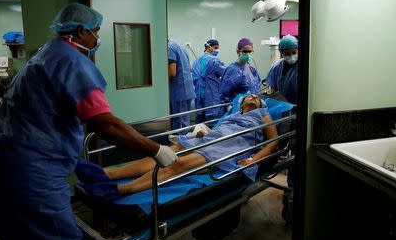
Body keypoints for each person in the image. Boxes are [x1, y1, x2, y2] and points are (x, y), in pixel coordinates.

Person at [0, 3, 177, 240]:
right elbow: (105, 124)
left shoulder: (45, 55)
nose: (98, 38)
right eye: (96, 31)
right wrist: (155, 149)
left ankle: (112, 180)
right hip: (34, 174)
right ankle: (119, 187)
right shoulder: (73, 63)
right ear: (82, 31)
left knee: (19, 236)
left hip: (11, 160)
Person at [78, 94, 279, 200]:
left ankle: (123, 189)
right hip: (212, 137)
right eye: (249, 96)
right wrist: (205, 133)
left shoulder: (262, 115)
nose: (253, 97)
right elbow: (217, 128)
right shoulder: (231, 115)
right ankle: (108, 174)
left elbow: (273, 142)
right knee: (162, 154)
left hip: (229, 145)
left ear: (262, 105)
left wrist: (254, 159)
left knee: (178, 163)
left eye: (257, 98)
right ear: (241, 103)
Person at [265, 34, 298, 223]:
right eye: (287, 53)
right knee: (279, 146)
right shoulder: (278, 67)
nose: (291, 56)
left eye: (294, 52)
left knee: (295, 154)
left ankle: (293, 187)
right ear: (282, 53)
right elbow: (271, 87)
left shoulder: (302, 67)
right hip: (282, 113)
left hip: (296, 113)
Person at [219, 38, 261, 105]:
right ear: (238, 51)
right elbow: (224, 94)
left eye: (250, 52)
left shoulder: (252, 70)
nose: (247, 54)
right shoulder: (232, 70)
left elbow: (256, 89)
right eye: (245, 51)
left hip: (252, 107)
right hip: (238, 109)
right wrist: (229, 108)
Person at [192, 39, 226, 122]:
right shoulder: (215, 61)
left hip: (199, 95)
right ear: (208, 47)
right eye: (215, 47)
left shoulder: (196, 61)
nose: (217, 50)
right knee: (212, 123)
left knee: (200, 122)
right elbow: (227, 74)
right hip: (211, 95)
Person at [168, 40, 196, 130]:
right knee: (183, 121)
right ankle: (184, 141)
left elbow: (172, 72)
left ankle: (182, 143)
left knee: (180, 125)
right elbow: (190, 68)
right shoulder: (180, 47)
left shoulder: (169, 48)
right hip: (186, 90)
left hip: (178, 91)